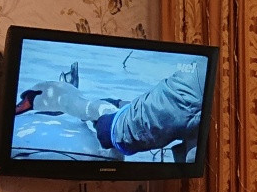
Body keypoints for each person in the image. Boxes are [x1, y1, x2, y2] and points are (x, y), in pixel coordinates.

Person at [16, 63, 205, 162]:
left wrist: (112, 122)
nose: (22, 105)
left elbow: (166, 110)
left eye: (30, 97)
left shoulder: (194, 78)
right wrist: (118, 109)